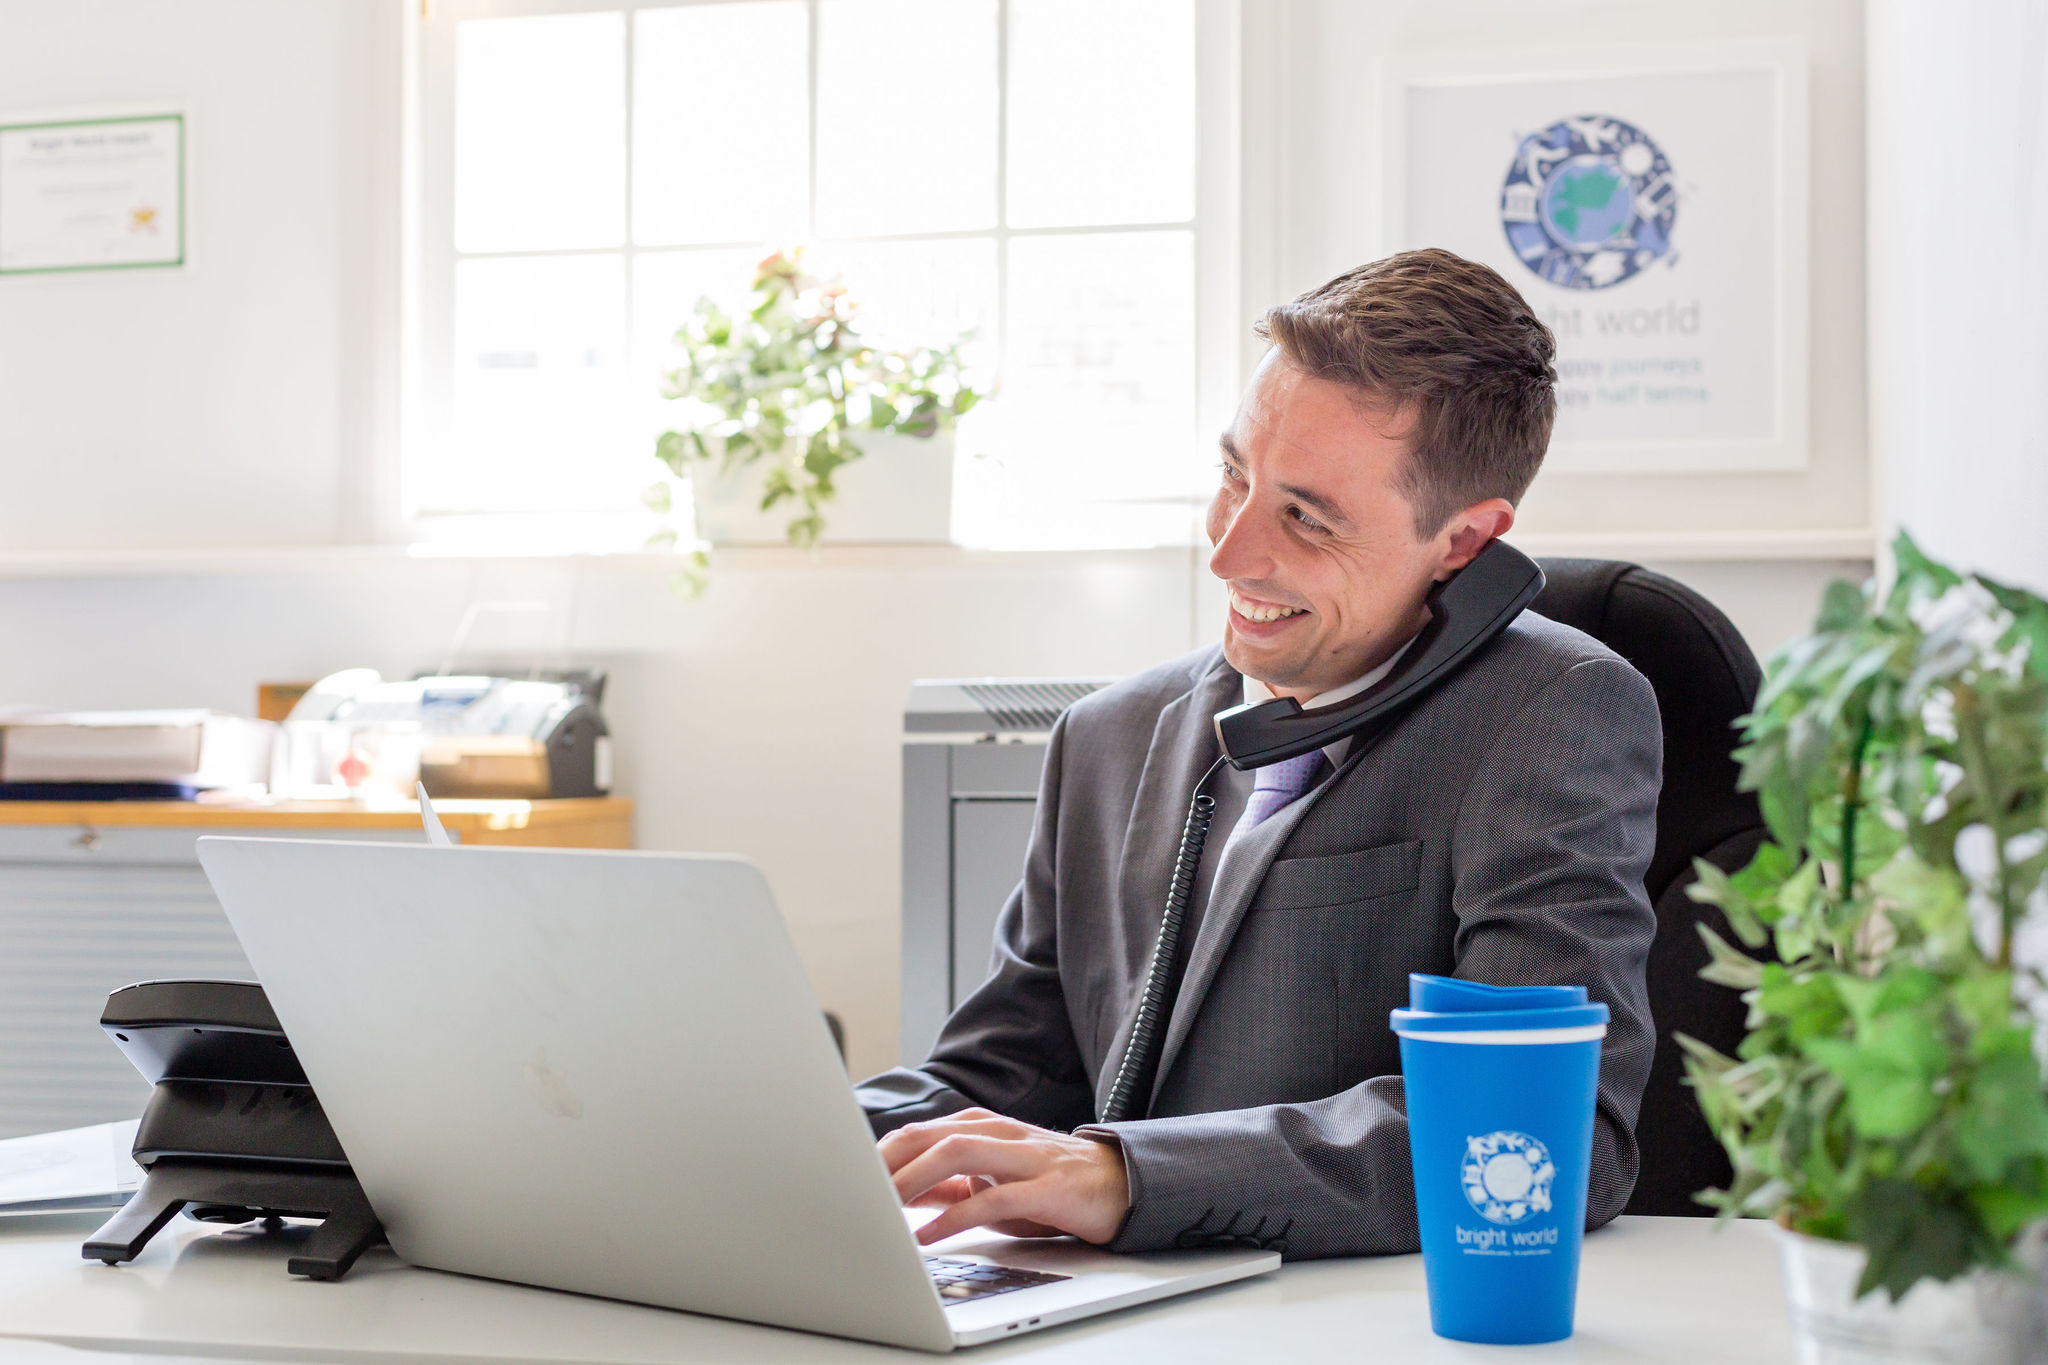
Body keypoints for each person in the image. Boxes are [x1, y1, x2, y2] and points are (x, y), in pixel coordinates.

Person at [855, 248, 1661, 1260]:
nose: (1228, 553)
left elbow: (1541, 1136)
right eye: (1232, 474)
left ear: (1461, 542)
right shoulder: (1106, 736)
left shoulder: (1549, 715)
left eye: (1304, 518)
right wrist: (793, 1140)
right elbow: (1000, 1079)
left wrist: (1126, 1178)